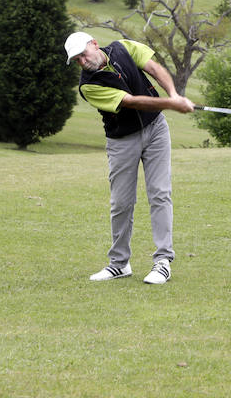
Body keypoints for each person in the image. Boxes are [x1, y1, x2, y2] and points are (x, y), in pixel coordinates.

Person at [64, 31, 194, 284]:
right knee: (121, 202)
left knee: (159, 192)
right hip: (122, 140)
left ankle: (163, 262)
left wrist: (174, 94)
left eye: (83, 54)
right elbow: (131, 102)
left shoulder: (123, 47)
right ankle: (119, 263)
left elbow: (154, 68)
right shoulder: (88, 86)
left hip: (156, 130)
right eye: (77, 60)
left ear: (94, 44)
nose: (82, 62)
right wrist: (171, 103)